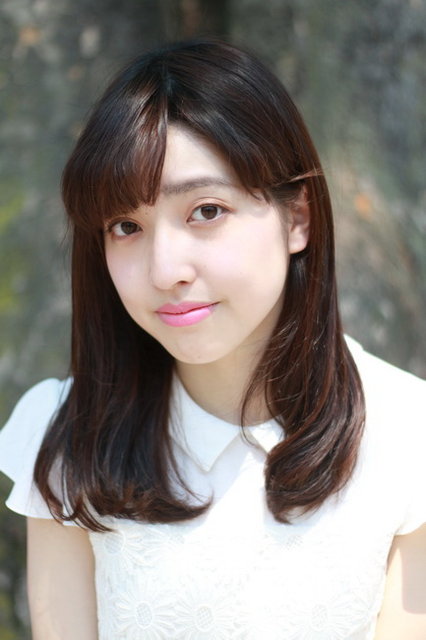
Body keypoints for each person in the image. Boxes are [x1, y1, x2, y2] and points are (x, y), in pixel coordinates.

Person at [0, 38, 425, 640]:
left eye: (205, 211)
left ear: (297, 218)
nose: (164, 270)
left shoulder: (407, 433)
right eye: (126, 226)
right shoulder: (67, 434)